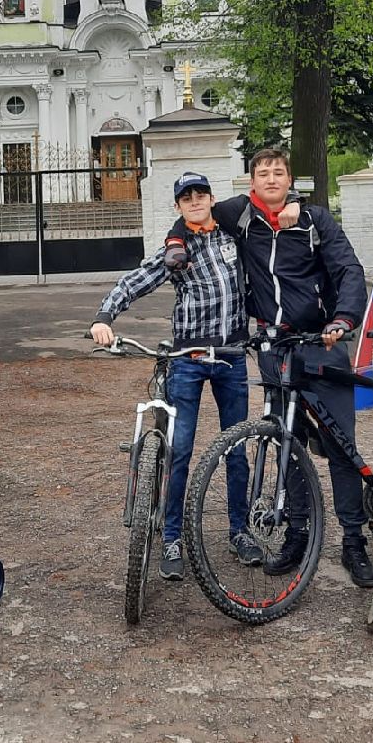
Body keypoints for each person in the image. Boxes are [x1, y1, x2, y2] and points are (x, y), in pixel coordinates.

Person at [164, 148, 373, 587]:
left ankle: (354, 540)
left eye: (280, 173)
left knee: (340, 447)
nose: (272, 179)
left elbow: (348, 269)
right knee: (287, 446)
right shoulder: (239, 215)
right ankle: (297, 534)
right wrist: (175, 244)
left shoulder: (316, 219)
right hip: (275, 349)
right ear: (251, 182)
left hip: (321, 344)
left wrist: (344, 319)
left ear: (290, 179)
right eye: (264, 173)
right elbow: (191, 210)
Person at [91, 171, 274, 581]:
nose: (194, 201)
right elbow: (137, 280)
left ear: (211, 198)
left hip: (230, 357)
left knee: (237, 448)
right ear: (178, 206)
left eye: (200, 194)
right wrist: (105, 316)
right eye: (186, 197)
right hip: (188, 359)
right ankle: (171, 537)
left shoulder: (234, 239)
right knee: (180, 451)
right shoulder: (177, 249)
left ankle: (239, 531)